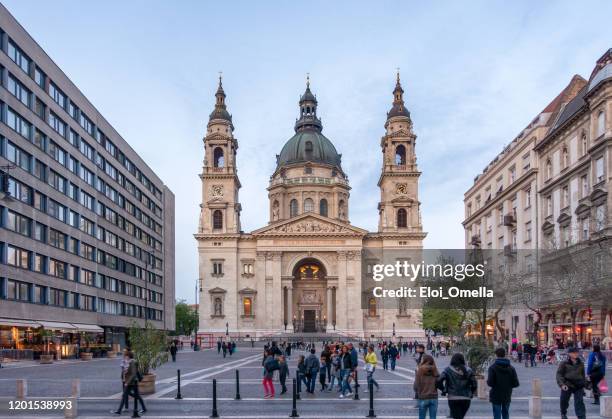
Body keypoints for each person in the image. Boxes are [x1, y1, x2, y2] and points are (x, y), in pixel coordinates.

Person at [437, 353, 476, 419]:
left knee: (457, 417)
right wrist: (471, 392)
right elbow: (474, 384)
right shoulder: (469, 370)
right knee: (460, 416)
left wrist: (443, 389)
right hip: (466, 397)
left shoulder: (448, 370)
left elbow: (439, 380)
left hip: (453, 397)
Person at [487, 347, 519, 419]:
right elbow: (516, 383)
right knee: (506, 413)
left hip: (496, 394)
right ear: (505, 355)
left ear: (496, 355)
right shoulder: (511, 368)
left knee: (497, 415)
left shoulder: (492, 368)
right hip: (507, 394)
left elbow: (490, 383)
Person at [112, 351, 145, 418]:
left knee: (134, 395)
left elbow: (133, 374)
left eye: (125, 355)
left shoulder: (132, 362)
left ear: (128, 356)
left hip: (132, 382)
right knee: (126, 395)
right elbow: (125, 371)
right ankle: (119, 411)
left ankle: (142, 409)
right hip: (129, 382)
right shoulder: (128, 362)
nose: (124, 356)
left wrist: (127, 382)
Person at [556, 347, 586, 419]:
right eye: (574, 352)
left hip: (578, 385)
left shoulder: (581, 363)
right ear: (569, 354)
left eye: (577, 352)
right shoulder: (564, 363)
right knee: (564, 401)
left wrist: (584, 384)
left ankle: (581, 416)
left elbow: (583, 375)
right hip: (567, 384)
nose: (576, 354)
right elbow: (559, 374)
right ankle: (563, 413)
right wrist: (562, 384)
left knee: (579, 402)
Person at [414, 354, 439, 419]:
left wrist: (418, 392)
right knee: (433, 417)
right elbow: (439, 383)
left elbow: (416, 385)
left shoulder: (420, 369)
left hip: (423, 397)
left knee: (422, 417)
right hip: (434, 397)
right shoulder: (435, 369)